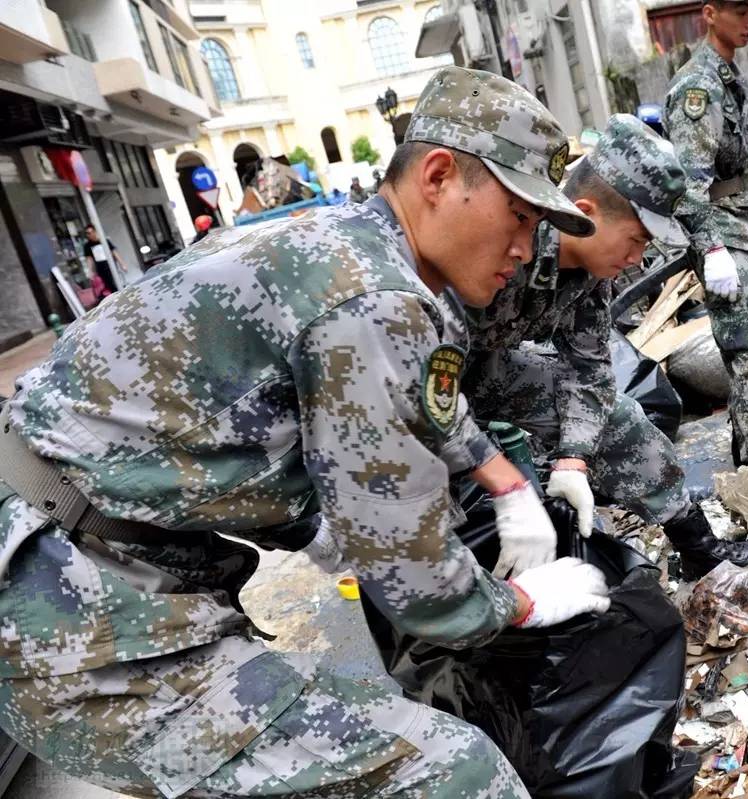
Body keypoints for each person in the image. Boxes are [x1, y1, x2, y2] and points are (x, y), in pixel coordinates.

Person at [0, 65, 610, 798]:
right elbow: (419, 585)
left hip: (86, 555)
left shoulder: (352, 249)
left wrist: (502, 480)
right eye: (518, 216)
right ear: (440, 176)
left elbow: (424, 406)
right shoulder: (374, 293)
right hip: (71, 604)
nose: (525, 247)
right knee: (456, 772)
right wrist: (525, 601)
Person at [446, 114, 748, 580]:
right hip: (413, 391)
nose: (639, 259)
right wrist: (499, 477)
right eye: (637, 239)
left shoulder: (591, 275)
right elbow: (416, 385)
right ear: (585, 213)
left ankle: (698, 546)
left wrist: (573, 458)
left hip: (482, 370)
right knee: (433, 513)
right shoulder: (503, 238)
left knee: (618, 415)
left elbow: (587, 370)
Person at [663, 0, 748, 470]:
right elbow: (686, 181)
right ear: (709, 13)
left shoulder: (729, 76)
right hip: (719, 222)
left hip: (743, 217)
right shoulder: (697, 86)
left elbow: (734, 159)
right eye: (739, 9)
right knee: (747, 341)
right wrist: (712, 247)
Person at [82, 223, 125, 294]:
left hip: (110, 265)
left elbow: (114, 252)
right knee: (108, 284)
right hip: (100, 268)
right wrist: (90, 271)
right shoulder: (87, 246)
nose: (90, 235)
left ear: (95, 231)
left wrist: (122, 264)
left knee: (115, 281)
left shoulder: (104, 241)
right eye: (87, 233)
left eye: (91, 232)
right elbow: (89, 259)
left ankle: (120, 293)